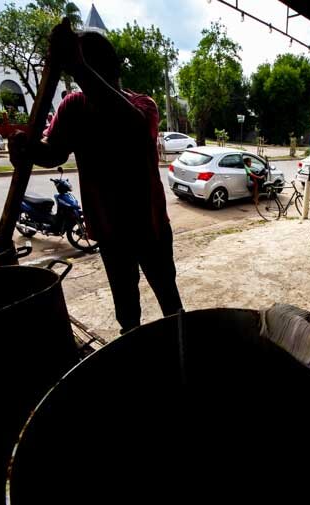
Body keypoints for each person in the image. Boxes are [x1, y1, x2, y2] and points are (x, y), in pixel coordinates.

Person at [10, 28, 183, 333]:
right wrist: (26, 148)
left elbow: (133, 128)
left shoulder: (143, 105)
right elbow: (55, 154)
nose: (84, 75)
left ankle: (182, 353)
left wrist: (77, 65)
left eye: (89, 67)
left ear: (112, 70)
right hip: (109, 232)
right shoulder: (73, 107)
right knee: (127, 311)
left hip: (150, 227)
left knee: (170, 300)